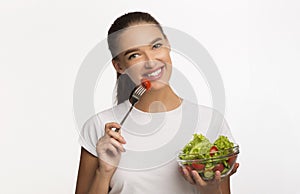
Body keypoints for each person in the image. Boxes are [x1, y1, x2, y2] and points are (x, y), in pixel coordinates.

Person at [75, 12, 239, 194]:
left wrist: (210, 189)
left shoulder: (210, 121)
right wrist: (103, 172)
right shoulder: (99, 126)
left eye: (156, 46)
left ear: (168, 44)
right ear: (119, 66)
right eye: (134, 55)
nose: (150, 61)